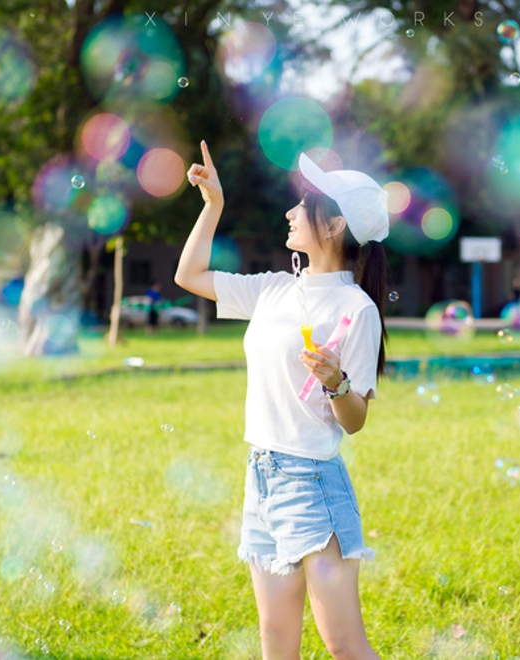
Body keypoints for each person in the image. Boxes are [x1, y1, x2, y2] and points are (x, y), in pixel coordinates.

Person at [175, 140, 388, 660]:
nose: (291, 212)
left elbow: (355, 420)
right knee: (276, 642)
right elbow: (189, 276)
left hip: (312, 484)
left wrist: (336, 382)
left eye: (304, 205)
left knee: (344, 645)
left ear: (334, 225)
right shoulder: (274, 289)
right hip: (262, 477)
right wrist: (213, 206)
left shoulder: (356, 309)